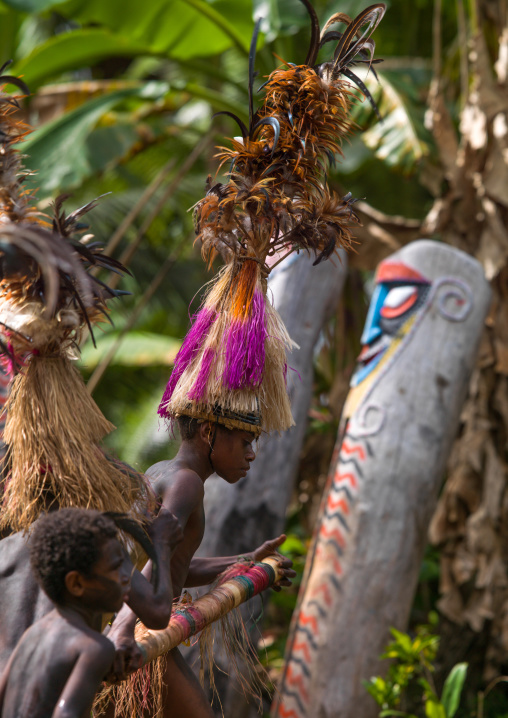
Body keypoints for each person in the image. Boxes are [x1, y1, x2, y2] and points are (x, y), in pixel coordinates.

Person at [108, 415, 296, 718]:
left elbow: (173, 565)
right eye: (245, 442)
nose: (252, 454)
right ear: (209, 432)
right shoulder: (188, 483)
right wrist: (123, 628)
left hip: (124, 628)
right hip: (136, 635)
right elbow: (155, 563)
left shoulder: (162, 471)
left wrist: (246, 561)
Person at [0, 507, 183, 718]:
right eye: (116, 568)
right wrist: (163, 547)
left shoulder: (32, 634)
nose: (126, 577)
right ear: (76, 584)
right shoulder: (94, 648)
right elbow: (66, 713)